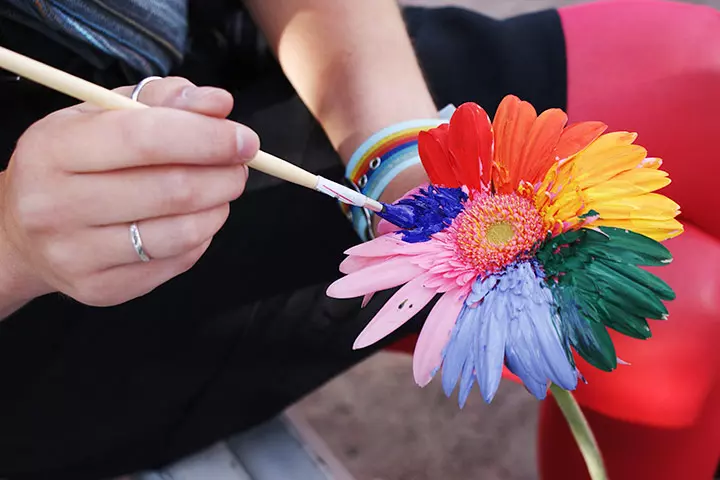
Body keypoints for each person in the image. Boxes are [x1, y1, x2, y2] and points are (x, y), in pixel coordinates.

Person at [1, 1, 718, 479]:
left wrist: (400, 155)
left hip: (231, 44)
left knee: (703, 71)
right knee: (686, 321)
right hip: (45, 288)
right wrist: (13, 241)